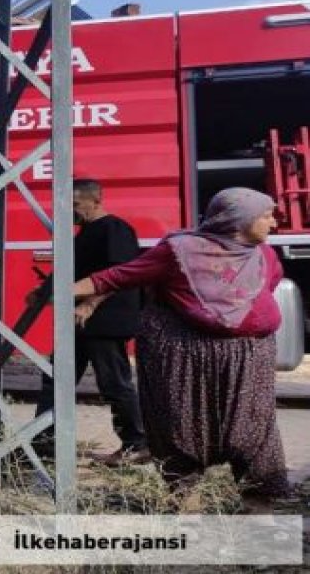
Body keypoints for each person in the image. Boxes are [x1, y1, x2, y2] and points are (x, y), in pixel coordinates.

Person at [73, 187, 292, 511]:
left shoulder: (263, 253)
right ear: (237, 219)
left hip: (249, 360)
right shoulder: (180, 251)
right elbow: (120, 276)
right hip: (186, 360)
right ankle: (187, 508)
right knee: (182, 429)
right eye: (266, 215)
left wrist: (234, 322)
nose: (274, 223)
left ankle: (258, 510)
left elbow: (267, 286)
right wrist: (63, 291)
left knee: (254, 432)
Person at [31, 179, 148, 465]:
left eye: (75, 205)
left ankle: (138, 443)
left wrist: (90, 303)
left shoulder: (114, 229)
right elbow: (76, 271)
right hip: (80, 320)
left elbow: (118, 273)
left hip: (105, 321)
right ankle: (44, 444)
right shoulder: (83, 234)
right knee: (55, 378)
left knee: (113, 382)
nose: (70, 211)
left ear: (95, 200)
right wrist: (43, 291)